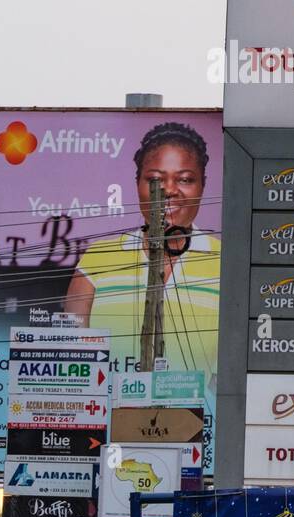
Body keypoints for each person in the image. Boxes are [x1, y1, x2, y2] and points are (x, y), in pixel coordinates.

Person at [64, 121, 219, 400]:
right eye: (155, 180)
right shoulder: (97, 260)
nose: (169, 190)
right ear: (138, 184)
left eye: (184, 179)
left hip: (197, 430)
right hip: (108, 428)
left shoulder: (226, 262)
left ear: (203, 186)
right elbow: (73, 360)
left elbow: (232, 375)